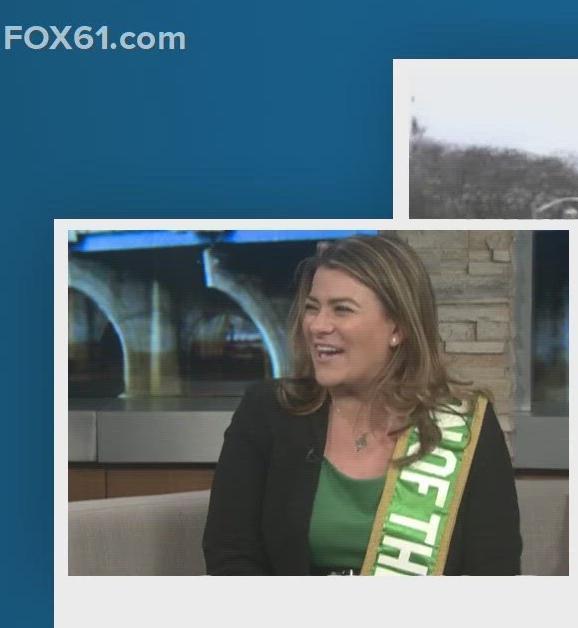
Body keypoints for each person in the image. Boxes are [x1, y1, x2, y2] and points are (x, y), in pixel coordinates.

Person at [202, 234, 521, 575]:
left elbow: (494, 572)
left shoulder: (463, 425)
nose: (318, 326)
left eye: (342, 309)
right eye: (313, 307)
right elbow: (230, 556)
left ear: (397, 327)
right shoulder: (268, 411)